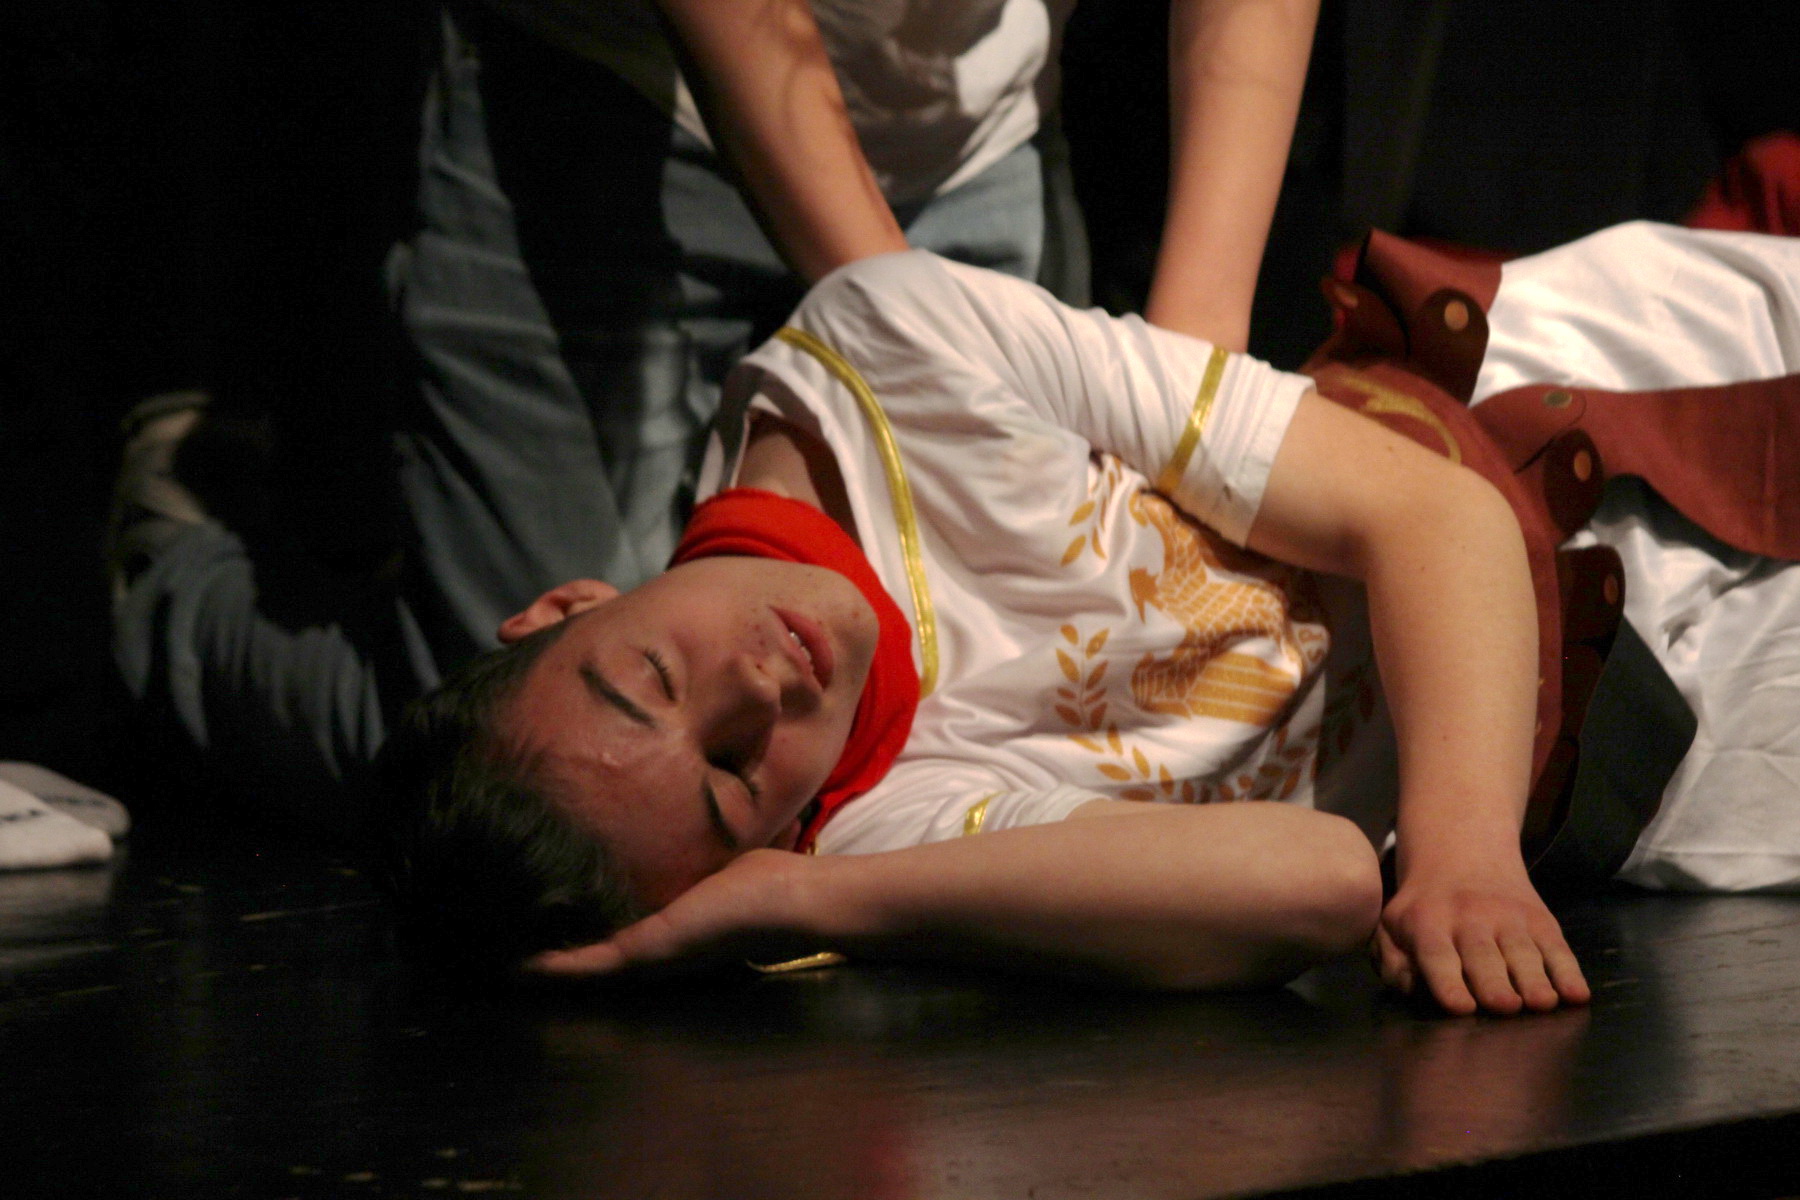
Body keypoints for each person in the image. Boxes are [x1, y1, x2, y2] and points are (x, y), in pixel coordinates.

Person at [381, 220, 1800, 1014]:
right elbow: (1316, 883)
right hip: (1661, 734)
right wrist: (809, 899)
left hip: (1592, 420)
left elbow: (1433, 516)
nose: (756, 691)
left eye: (648, 675)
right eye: (732, 780)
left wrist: (1466, 853)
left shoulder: (887, 350)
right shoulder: (876, 831)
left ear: (567, 603)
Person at [110, 0, 1319, 832]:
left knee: (932, 708)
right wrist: (920, 350)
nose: (758, 684)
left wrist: (1190, 374)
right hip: (603, 103)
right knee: (522, 751)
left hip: (971, 144)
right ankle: (169, 571)